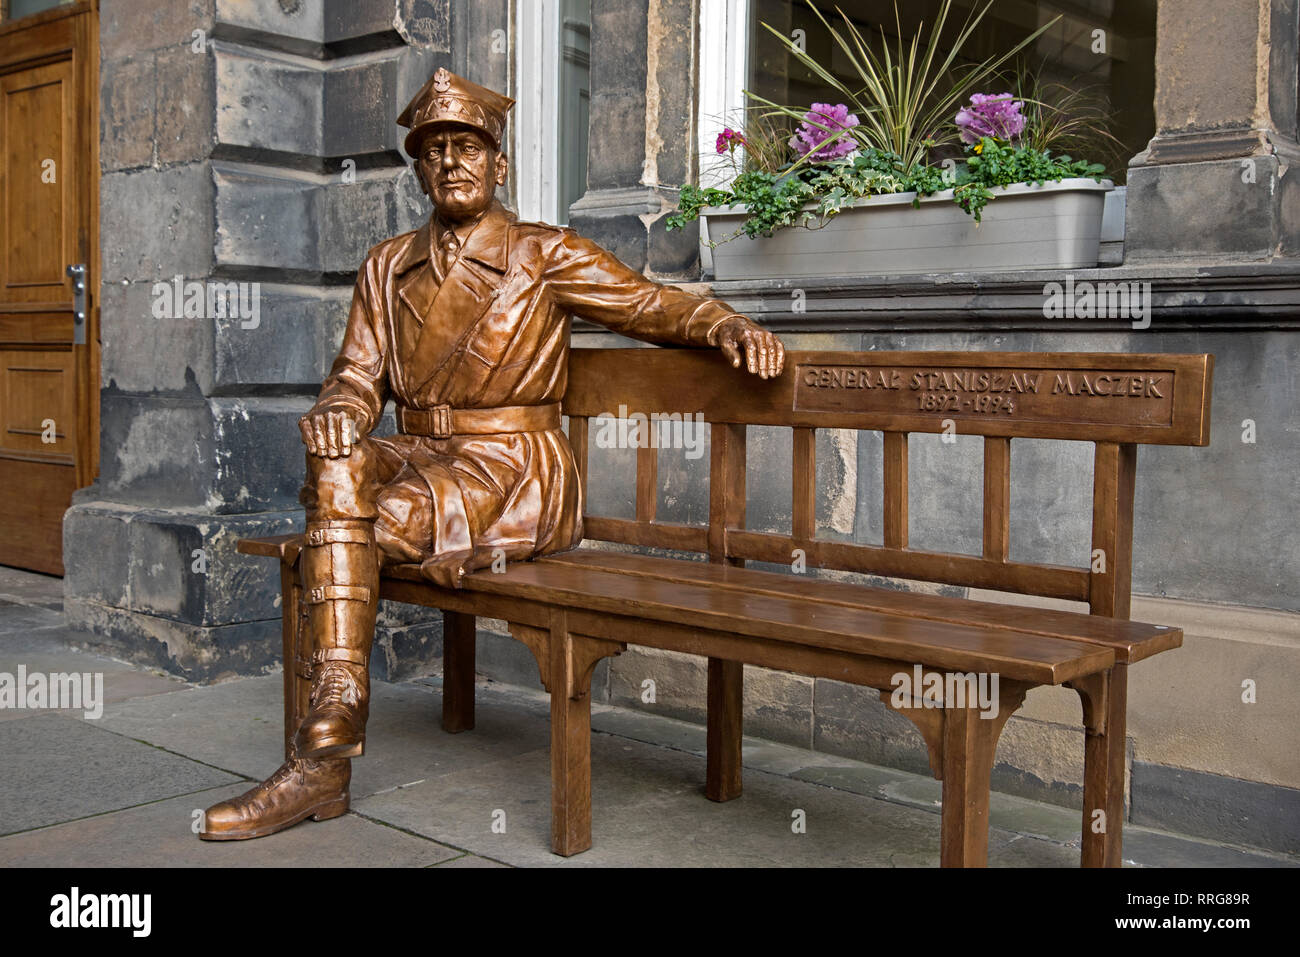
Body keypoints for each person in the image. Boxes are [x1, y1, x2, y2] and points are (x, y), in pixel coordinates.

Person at [201, 68, 784, 840]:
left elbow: (646, 302)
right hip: (418, 450)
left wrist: (723, 324)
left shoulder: (542, 253)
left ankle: (319, 767)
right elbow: (354, 375)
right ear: (418, 169)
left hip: (512, 468)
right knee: (338, 469)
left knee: (339, 531)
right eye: (434, 149)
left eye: (467, 146)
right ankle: (338, 698)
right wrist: (341, 413)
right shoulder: (386, 266)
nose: (450, 161)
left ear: (499, 164)